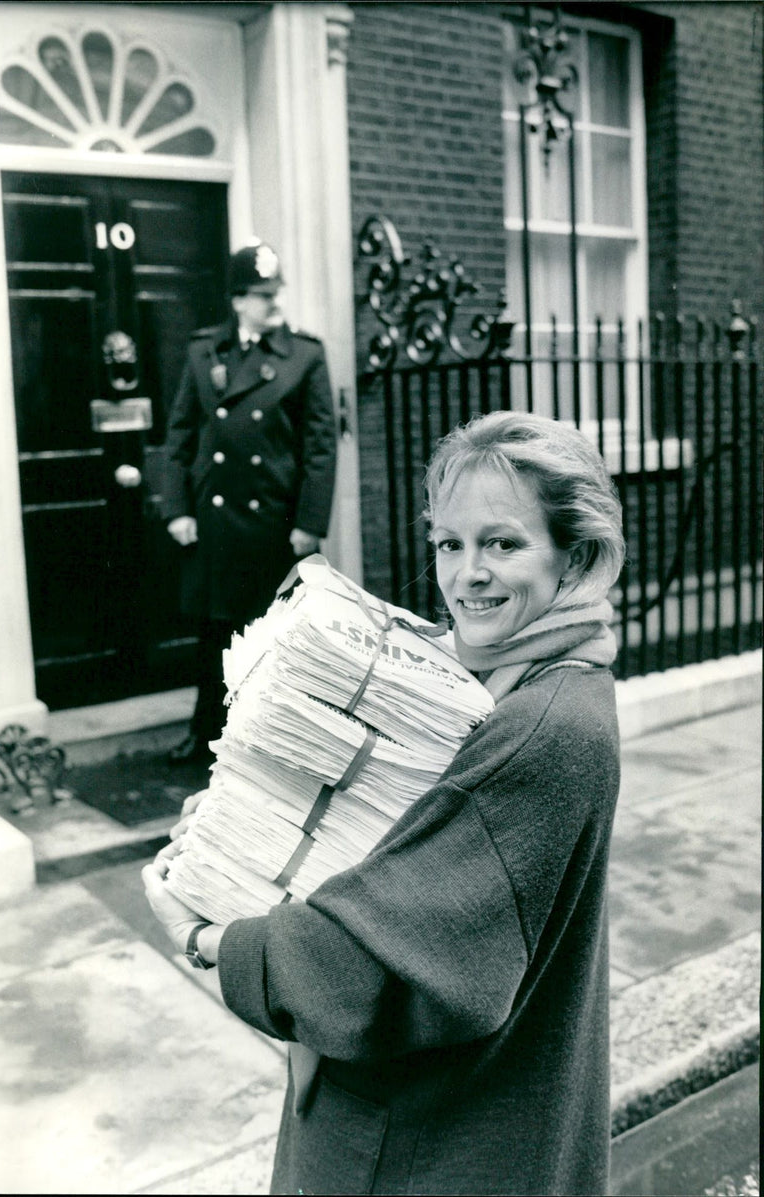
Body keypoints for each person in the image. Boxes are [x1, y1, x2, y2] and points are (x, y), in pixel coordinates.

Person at [143, 409, 626, 1196]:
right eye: (450, 543)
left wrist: (207, 938)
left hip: (431, 1141)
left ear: (575, 555)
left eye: (503, 542)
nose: (467, 574)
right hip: (451, 1124)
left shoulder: (545, 724)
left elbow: (379, 973)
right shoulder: (522, 683)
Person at [161, 241, 337, 764]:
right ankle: (206, 735)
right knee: (213, 634)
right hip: (214, 523)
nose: (273, 302)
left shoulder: (303, 355)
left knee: (273, 635)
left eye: (276, 292)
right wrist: (177, 509)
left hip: (272, 524)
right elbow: (180, 437)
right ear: (238, 300)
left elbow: (321, 446)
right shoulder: (204, 352)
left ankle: (270, 741)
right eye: (262, 295)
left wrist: (309, 521)